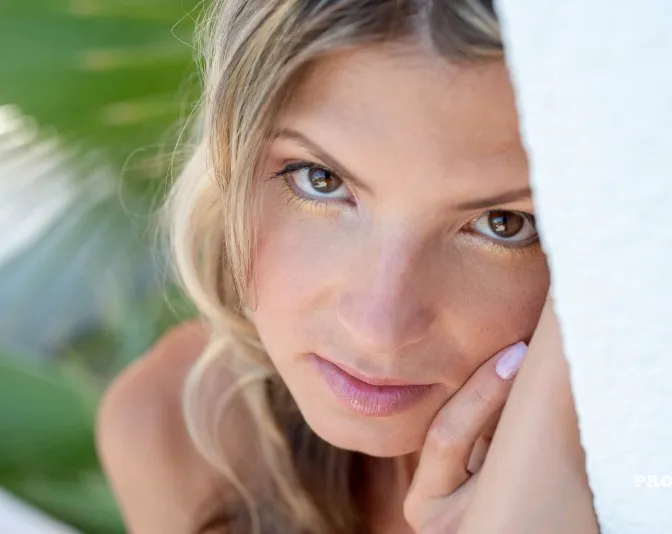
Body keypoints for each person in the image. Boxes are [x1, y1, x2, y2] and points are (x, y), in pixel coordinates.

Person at [96, 1, 600, 532]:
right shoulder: (172, 427)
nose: (377, 330)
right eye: (320, 180)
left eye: (504, 224)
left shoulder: (648, 477)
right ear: (231, 155)